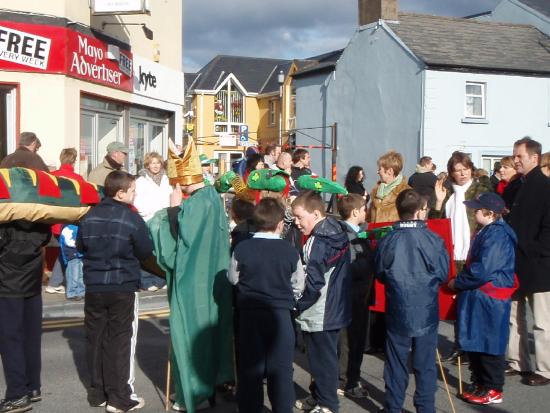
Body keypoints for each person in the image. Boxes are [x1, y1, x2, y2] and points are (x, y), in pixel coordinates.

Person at [148, 139, 234, 412]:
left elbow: (180, 247)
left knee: (190, 336)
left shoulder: (193, 205)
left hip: (191, 284)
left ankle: (192, 393)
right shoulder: (211, 197)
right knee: (211, 331)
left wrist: (171, 211)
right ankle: (214, 382)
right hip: (212, 281)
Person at [77, 171, 153, 412]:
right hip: (122, 285)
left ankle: (97, 393)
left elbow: (80, 246)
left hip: (95, 285)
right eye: (132, 190)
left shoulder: (89, 216)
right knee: (121, 341)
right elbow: (144, 251)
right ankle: (120, 397)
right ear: (120, 193)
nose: (135, 194)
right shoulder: (131, 219)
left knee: (96, 338)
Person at [375, 189, 449, 413]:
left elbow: (380, 273)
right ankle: (425, 409)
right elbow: (443, 273)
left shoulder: (388, 239)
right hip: (424, 310)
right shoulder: (432, 239)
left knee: (396, 364)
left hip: (399, 308)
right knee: (425, 365)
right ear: (418, 212)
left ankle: (393, 408)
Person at [228, 198, 305, 413]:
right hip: (280, 314)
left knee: (250, 369)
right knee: (280, 370)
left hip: (250, 315)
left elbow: (233, 277)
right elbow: (298, 284)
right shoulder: (289, 250)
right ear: (281, 224)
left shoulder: (242, 247)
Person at [447, 192, 517, 405]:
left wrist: (458, 282)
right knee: (478, 339)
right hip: (481, 294)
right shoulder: (487, 231)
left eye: (477, 208)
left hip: (490, 295)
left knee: (489, 342)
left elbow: (484, 269)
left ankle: (493, 388)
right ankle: (481, 383)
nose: (473, 210)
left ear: (490, 212)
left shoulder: (497, 234)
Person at [292, 191, 351, 413]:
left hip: (320, 310)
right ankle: (320, 399)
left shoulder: (317, 242)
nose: (297, 223)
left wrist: (297, 304)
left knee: (321, 360)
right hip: (334, 306)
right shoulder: (337, 231)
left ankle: (327, 405)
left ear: (316, 214)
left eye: (299, 217)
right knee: (324, 358)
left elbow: (314, 283)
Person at [430, 151, 492, 363]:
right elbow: (435, 225)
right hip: (453, 254)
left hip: (474, 253)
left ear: (471, 169)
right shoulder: (448, 194)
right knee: (456, 302)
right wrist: (438, 203)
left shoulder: (481, 190)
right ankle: (460, 345)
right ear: (451, 174)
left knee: (475, 301)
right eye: (457, 170)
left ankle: (476, 347)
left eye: (465, 169)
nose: (462, 173)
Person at [506, 137, 550, 386]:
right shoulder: (516, 186)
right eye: (514, 155)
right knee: (515, 316)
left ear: (534, 157)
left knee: (542, 321)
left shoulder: (545, 187)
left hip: (539, 264)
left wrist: (534, 250)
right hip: (516, 262)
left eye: (519, 156)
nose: (515, 160)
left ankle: (545, 369)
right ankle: (517, 361)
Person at [0, 218, 50, 413]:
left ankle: (17, 395)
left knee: (10, 340)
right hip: (32, 284)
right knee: (31, 338)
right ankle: (32, 387)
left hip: (7, 285)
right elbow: (45, 239)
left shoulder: (5, 221)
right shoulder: (38, 218)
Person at [336, 194, 374, 398]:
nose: (366, 212)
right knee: (350, 342)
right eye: (363, 208)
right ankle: (346, 381)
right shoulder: (347, 236)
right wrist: (371, 262)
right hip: (353, 296)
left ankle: (351, 378)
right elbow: (350, 267)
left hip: (360, 295)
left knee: (355, 341)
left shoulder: (357, 232)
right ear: (354, 212)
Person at [46, 148, 87, 296]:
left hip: (52, 220)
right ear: (74, 160)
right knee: (69, 253)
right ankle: (58, 283)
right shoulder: (78, 179)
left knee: (63, 252)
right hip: (68, 222)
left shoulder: (51, 176)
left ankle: (57, 282)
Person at [134, 152, 171, 291]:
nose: (155, 166)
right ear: (147, 165)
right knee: (149, 252)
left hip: (165, 220)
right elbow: (137, 201)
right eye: (152, 163)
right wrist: (150, 213)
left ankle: (162, 278)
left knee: (163, 251)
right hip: (149, 219)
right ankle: (148, 280)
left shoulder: (167, 179)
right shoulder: (141, 181)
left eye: (158, 163)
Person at [367, 151, 410, 223]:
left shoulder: (406, 192)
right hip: (375, 233)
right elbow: (368, 218)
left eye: (380, 169)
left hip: (395, 233)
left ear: (390, 171)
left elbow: (410, 220)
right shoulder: (377, 191)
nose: (378, 172)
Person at [59, 224, 85, 301]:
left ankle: (81, 291)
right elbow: (69, 242)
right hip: (72, 254)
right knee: (73, 274)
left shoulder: (79, 227)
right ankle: (72, 293)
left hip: (80, 254)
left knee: (81, 274)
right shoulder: (68, 228)